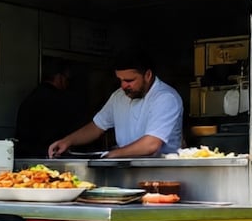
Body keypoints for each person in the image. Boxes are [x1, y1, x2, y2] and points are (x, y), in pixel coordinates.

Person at [48, 50, 183, 159]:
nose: (123, 85)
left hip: (162, 174)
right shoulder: (118, 96)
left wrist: (112, 155)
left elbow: (150, 144)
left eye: (129, 80)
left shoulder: (165, 98)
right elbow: (96, 127)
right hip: (126, 170)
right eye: (120, 80)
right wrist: (67, 141)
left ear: (148, 75)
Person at [14, 57, 86, 158]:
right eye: (66, 78)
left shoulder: (30, 98)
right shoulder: (62, 100)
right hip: (52, 156)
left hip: (25, 156)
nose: (67, 83)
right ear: (59, 77)